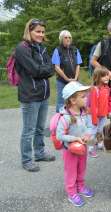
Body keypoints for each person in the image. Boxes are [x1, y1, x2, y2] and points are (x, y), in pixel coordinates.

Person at [15, 19, 55, 172]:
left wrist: (44, 69)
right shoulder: (22, 48)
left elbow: (50, 68)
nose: (41, 34)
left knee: (39, 128)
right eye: (38, 31)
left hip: (44, 94)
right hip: (30, 95)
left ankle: (39, 153)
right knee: (29, 130)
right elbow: (35, 70)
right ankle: (26, 159)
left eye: (43, 32)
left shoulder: (41, 48)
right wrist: (44, 69)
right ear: (29, 31)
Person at [56, 81, 94, 207]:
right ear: (73, 100)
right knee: (71, 172)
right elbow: (59, 135)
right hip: (70, 151)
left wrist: (87, 135)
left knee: (81, 168)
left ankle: (81, 186)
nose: (86, 98)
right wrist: (75, 138)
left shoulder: (84, 112)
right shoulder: (65, 117)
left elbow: (90, 126)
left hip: (82, 148)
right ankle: (72, 193)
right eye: (83, 96)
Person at [52, 30, 82, 112]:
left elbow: (78, 65)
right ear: (61, 39)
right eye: (65, 37)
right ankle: (59, 121)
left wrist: (75, 78)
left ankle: (73, 120)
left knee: (75, 100)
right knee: (61, 102)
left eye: (69, 37)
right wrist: (66, 78)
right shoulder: (57, 50)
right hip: (62, 81)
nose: (68, 39)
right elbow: (56, 67)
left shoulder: (75, 50)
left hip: (75, 80)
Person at [88, 67, 110, 158]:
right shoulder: (94, 89)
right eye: (104, 76)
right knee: (92, 132)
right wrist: (94, 118)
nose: (107, 77)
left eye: (107, 75)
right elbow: (93, 105)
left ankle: (100, 144)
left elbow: (106, 102)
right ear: (97, 77)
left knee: (101, 130)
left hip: (103, 114)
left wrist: (108, 112)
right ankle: (90, 148)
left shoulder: (106, 88)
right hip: (95, 116)